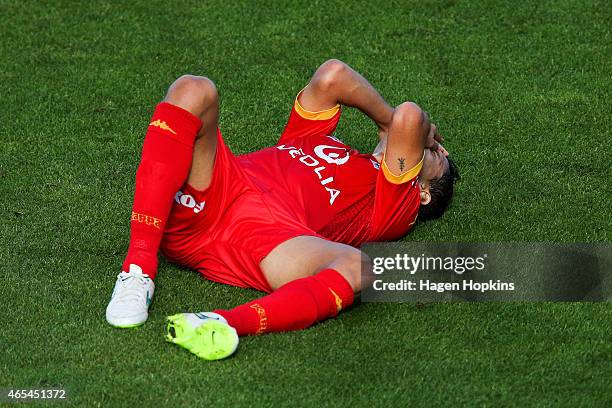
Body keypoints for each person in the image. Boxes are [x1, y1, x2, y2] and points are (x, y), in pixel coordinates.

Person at [105, 59, 459, 360]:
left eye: (435, 156)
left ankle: (222, 321)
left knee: (360, 266)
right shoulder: (325, 141)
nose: (435, 148)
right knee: (194, 88)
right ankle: (138, 268)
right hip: (215, 195)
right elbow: (332, 75)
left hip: (269, 241)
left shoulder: (394, 207)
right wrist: (385, 120)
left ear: (423, 192)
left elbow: (410, 117)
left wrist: (414, 128)